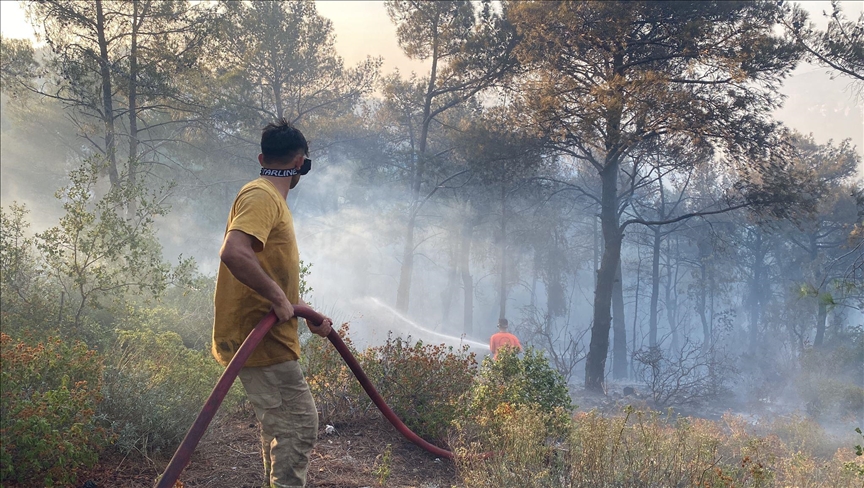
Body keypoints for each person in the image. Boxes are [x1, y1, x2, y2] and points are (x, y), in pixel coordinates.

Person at [212, 118, 333, 488]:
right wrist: (280, 299)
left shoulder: (264, 196)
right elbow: (234, 252)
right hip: (260, 339)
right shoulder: (263, 195)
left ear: (263, 156)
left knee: (281, 428)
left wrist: (302, 309)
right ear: (300, 164)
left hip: (263, 335)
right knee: (298, 427)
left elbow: (263, 266)